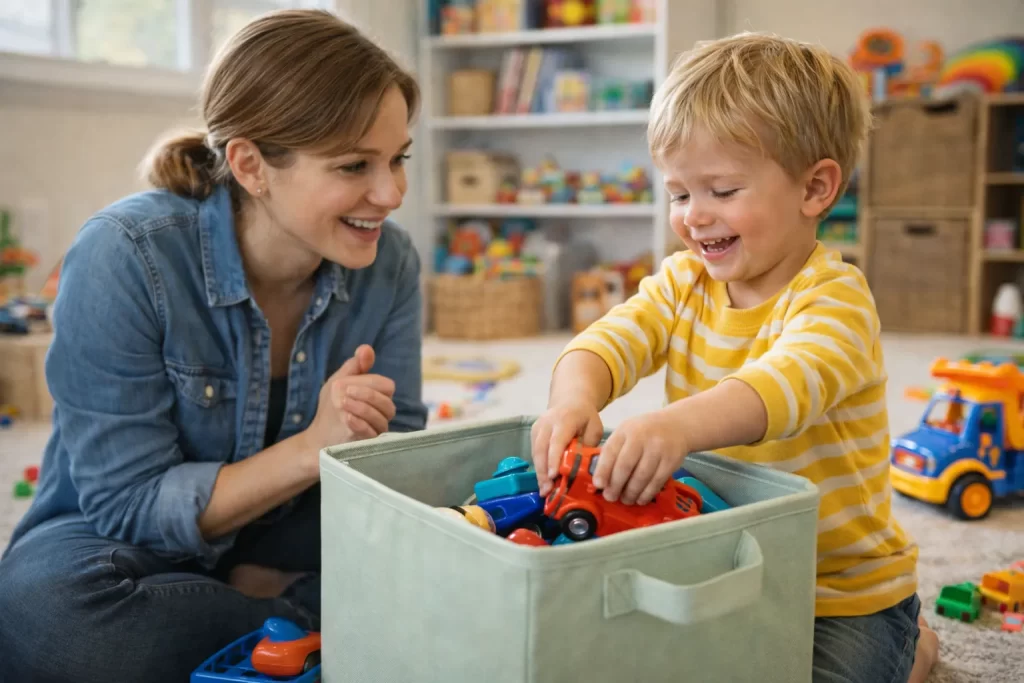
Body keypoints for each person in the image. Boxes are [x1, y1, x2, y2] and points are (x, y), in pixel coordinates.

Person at [0, 10, 425, 683]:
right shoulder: (126, 255)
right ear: (250, 165)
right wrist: (309, 448)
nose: (392, 192)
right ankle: (298, 616)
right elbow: (126, 504)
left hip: (291, 527)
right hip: (117, 542)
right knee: (48, 627)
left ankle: (267, 621)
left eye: (399, 158)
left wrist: (362, 450)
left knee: (454, 534)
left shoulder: (391, 262)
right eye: (354, 165)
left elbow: (397, 465)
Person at [530, 33, 939, 683]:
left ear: (815, 188)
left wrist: (678, 424)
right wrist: (574, 398)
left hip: (839, 593)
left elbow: (782, 386)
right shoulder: (681, 281)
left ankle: (912, 646)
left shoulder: (837, 299)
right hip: (716, 560)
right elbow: (610, 339)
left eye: (720, 189)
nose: (694, 217)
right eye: (679, 193)